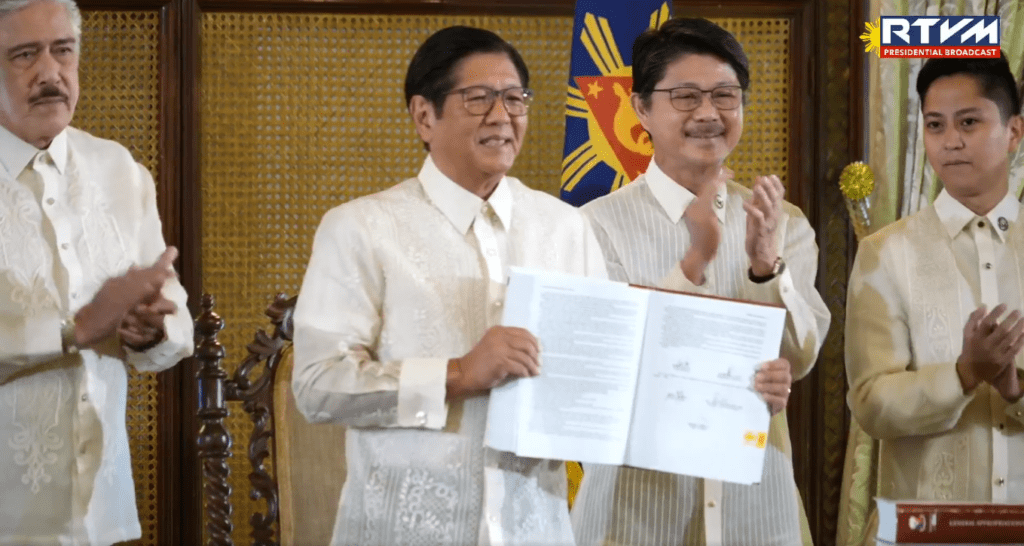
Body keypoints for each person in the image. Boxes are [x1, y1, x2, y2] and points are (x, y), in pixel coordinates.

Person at [291, 25, 607, 546]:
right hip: (402, 532)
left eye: (515, 99)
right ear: (424, 115)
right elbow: (317, 386)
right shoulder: (361, 228)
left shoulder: (566, 228)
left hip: (536, 529)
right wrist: (458, 374)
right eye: (479, 98)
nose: (502, 116)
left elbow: (598, 375)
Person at [571, 17, 831, 546]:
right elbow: (604, 366)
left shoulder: (783, 222)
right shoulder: (592, 226)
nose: (709, 113)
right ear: (641, 108)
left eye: (725, 96)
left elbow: (800, 355)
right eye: (686, 96)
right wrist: (695, 260)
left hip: (754, 509)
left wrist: (764, 265)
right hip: (635, 511)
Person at [0, 0, 193, 543]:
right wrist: (77, 329)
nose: (50, 73)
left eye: (63, 51)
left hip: (100, 514)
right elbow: (86, 325)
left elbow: (179, 320)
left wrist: (149, 329)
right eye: (24, 55)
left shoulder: (120, 172)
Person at [845, 51, 1024, 540]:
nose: (951, 141)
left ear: (1013, 132)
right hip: (924, 531)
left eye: (969, 122)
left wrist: (1014, 389)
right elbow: (870, 403)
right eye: (935, 125)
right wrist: (964, 375)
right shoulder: (886, 252)